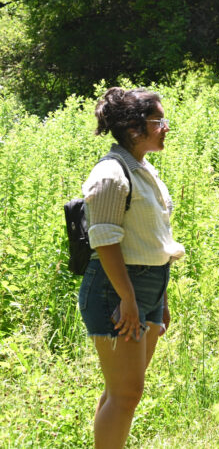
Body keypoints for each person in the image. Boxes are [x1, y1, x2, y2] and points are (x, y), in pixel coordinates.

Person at [78, 88, 185, 449]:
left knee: (122, 392)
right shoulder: (111, 172)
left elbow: (154, 240)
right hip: (117, 288)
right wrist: (128, 298)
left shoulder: (142, 168)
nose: (166, 127)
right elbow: (104, 240)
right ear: (134, 128)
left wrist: (160, 298)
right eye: (159, 121)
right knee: (126, 395)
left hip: (147, 287)